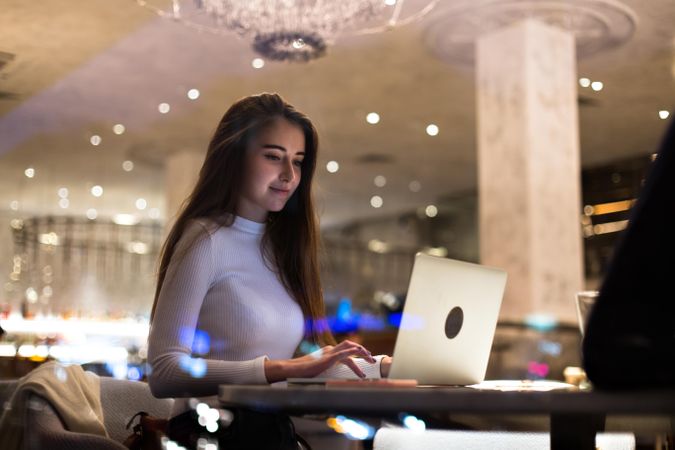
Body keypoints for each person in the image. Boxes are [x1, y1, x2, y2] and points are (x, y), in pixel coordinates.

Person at [147, 93, 391, 448]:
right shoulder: (205, 238)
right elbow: (164, 371)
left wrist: (384, 366)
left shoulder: (284, 249)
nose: (289, 175)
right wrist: (282, 368)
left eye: (298, 160)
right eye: (274, 157)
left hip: (268, 434)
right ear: (235, 159)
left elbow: (299, 371)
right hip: (211, 436)